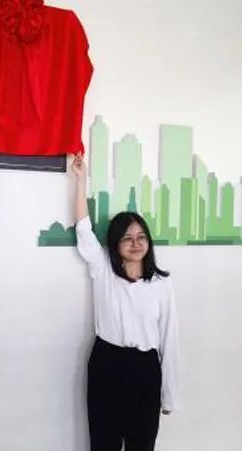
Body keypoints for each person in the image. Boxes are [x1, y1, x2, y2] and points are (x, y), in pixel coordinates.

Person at [71, 153, 179, 451]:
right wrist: (80, 181)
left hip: (145, 370)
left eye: (141, 237)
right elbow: (83, 230)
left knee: (141, 445)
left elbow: (169, 339)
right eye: (127, 238)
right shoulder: (103, 269)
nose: (136, 243)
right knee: (103, 444)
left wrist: (169, 395)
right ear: (115, 243)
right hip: (107, 364)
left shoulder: (161, 283)